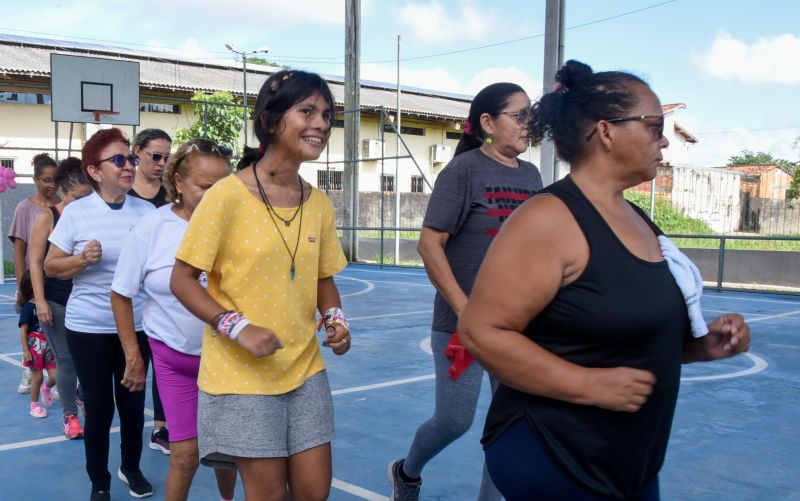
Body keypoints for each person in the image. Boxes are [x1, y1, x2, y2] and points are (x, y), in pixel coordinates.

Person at [457, 60, 751, 500]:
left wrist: (700, 347)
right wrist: (587, 385)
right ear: (607, 131)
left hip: (627, 462)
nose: (664, 138)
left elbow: (621, 334)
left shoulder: (638, 220)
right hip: (557, 454)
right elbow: (481, 333)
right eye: (654, 125)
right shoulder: (549, 219)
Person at [170, 69, 350, 501]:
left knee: (313, 492)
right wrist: (236, 327)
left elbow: (322, 276)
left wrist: (336, 319)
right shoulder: (226, 196)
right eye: (307, 111)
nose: (321, 123)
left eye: (327, 114)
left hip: (304, 369)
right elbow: (181, 279)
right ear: (270, 120)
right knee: (267, 495)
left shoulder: (319, 203)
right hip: (241, 375)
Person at [388, 82, 543, 501]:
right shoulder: (463, 171)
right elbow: (429, 244)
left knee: (508, 426)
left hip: (515, 328)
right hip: (461, 329)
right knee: (454, 421)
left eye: (531, 114)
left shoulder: (532, 176)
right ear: (488, 123)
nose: (529, 124)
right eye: (520, 115)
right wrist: (464, 309)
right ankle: (407, 471)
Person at [111, 138, 237, 501]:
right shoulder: (152, 228)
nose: (215, 196)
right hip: (175, 361)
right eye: (204, 186)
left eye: (223, 187)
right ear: (178, 182)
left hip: (229, 360)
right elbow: (121, 292)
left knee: (230, 454)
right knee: (184, 457)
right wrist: (133, 356)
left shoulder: (238, 226)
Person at [45, 128, 155, 501]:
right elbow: (51, 266)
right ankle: (99, 480)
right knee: (99, 406)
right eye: (119, 160)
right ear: (95, 171)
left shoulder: (147, 211)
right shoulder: (76, 213)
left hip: (138, 325)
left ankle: (131, 467)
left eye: (131, 159)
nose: (128, 166)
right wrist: (80, 260)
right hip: (88, 327)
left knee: (133, 405)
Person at [28, 157, 93, 438]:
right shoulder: (48, 217)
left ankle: (81, 394)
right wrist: (39, 302)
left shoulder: (91, 216)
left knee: (89, 361)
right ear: (63, 192)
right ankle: (70, 418)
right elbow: (35, 262)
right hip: (56, 300)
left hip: (86, 300)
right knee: (65, 361)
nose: (84, 203)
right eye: (78, 198)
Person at [129, 127, 173, 455]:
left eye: (166, 158)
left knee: (163, 364)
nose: (160, 163)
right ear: (137, 152)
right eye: (155, 156)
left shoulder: (170, 196)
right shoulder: (122, 195)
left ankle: (160, 429)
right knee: (133, 366)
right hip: (127, 299)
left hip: (162, 299)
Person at [10, 152, 58, 395]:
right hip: (32, 282)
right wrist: (22, 286)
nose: (52, 185)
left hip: (57, 280)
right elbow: (20, 251)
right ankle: (29, 368)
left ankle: (57, 373)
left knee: (55, 327)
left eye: (55, 180)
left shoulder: (62, 207)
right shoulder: (24, 208)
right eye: (46, 180)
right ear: (36, 179)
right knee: (31, 328)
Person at [17, 270, 57, 418]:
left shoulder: (48, 304)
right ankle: (34, 406)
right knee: (37, 377)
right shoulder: (28, 307)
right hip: (35, 345)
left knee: (56, 377)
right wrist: (25, 350)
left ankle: (46, 388)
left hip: (49, 344)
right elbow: (23, 330)